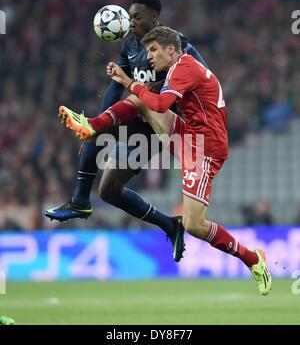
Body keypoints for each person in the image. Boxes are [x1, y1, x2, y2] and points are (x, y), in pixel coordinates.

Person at [59, 26, 272, 295]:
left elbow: (161, 106)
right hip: (189, 135)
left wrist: (126, 80)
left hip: (204, 148)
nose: (149, 57)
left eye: (153, 50)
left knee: (194, 224)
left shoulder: (185, 67)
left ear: (171, 49)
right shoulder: (176, 68)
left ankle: (253, 259)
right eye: (148, 51)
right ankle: (91, 125)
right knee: (139, 100)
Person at [45, 0, 207, 262]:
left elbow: (200, 74)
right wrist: (99, 121)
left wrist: (166, 85)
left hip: (163, 125)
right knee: (108, 190)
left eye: (137, 17)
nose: (131, 22)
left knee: (99, 130)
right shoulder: (130, 45)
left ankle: (80, 202)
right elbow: (114, 87)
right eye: (130, 16)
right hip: (137, 121)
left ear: (154, 17)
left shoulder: (174, 43)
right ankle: (170, 225)